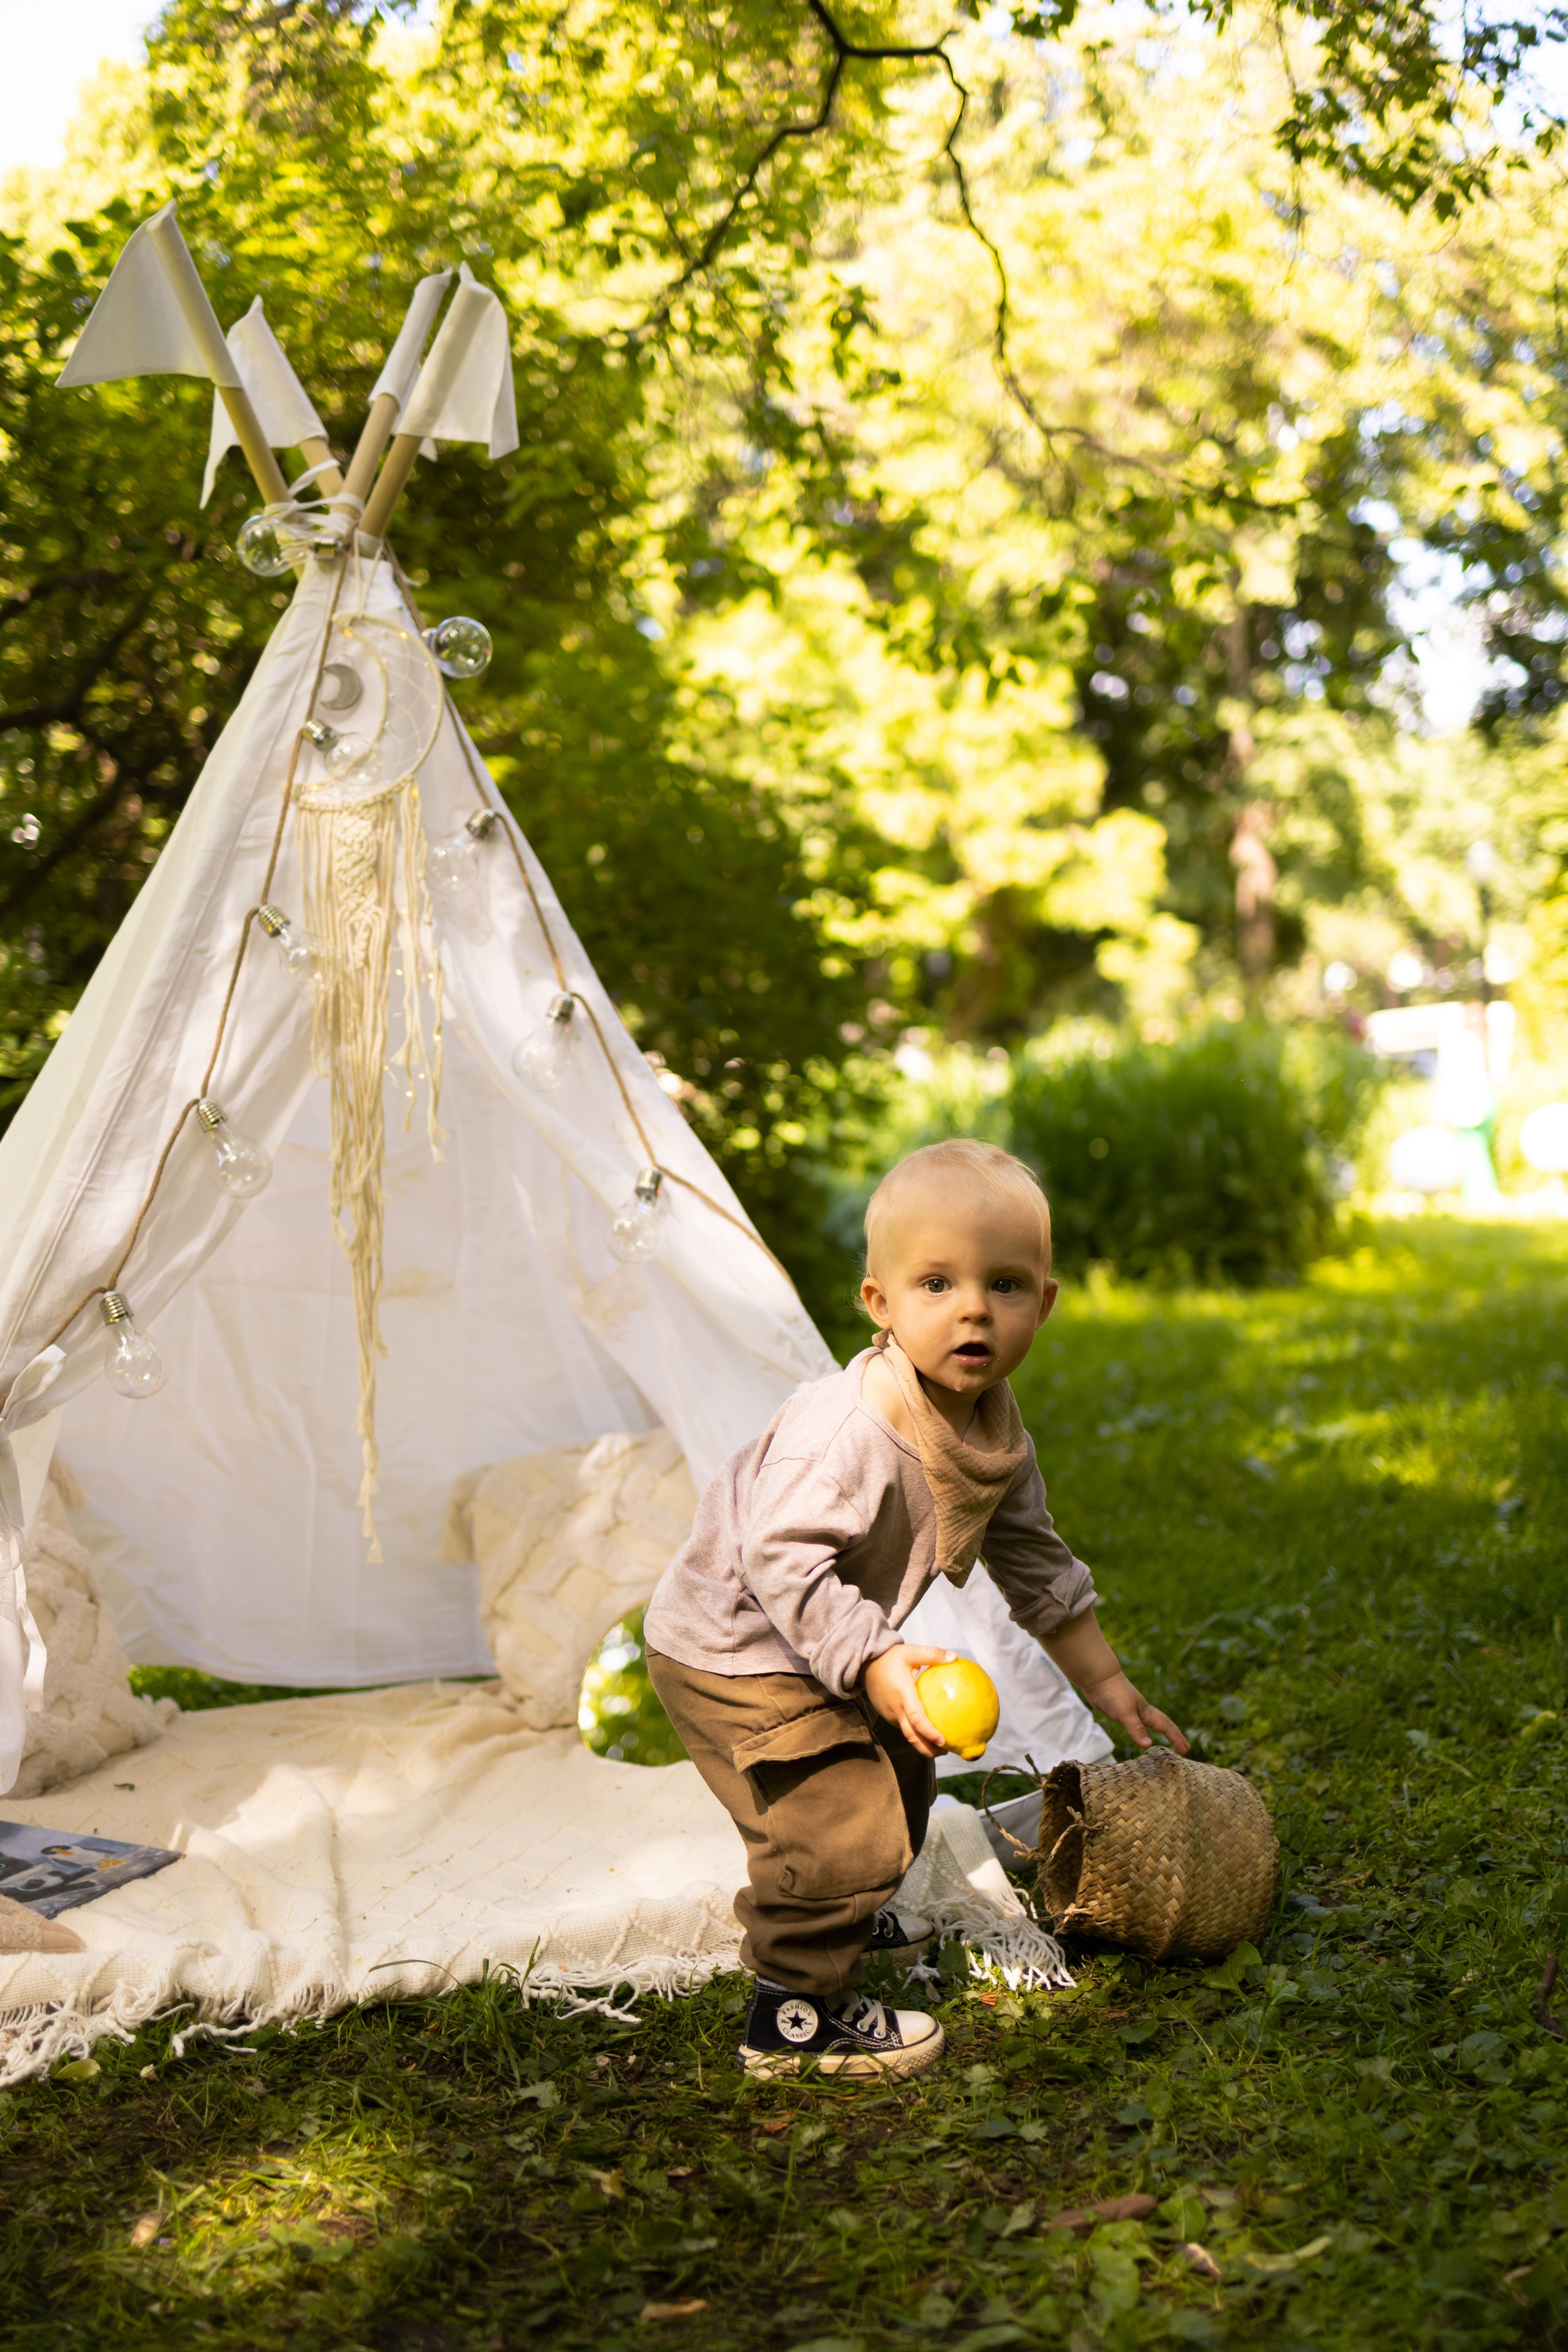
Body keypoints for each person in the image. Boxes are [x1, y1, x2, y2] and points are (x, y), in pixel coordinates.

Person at [643, 1138, 1188, 2082]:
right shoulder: (852, 1428)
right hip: (737, 1646)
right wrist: (876, 1658)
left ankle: (846, 1916)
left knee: (902, 1768)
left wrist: (1108, 1686)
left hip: (824, 1639)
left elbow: (1035, 1563)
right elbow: (778, 1555)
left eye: (1005, 1284)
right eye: (936, 1283)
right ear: (880, 1305)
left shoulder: (991, 1427)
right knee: (838, 1822)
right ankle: (795, 2013)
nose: (974, 1307)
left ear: (1045, 1303)